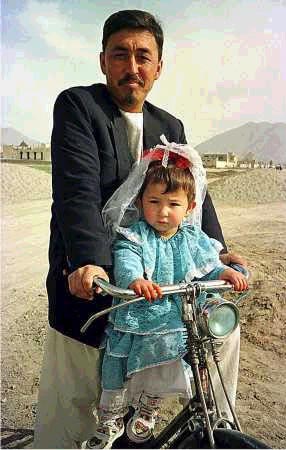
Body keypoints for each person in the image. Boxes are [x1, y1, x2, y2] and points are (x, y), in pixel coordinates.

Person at [33, 10, 246, 449]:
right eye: (121, 54)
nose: (132, 67)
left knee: (210, 337)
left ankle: (217, 428)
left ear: (158, 66)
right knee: (73, 397)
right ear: (103, 61)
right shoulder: (79, 107)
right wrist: (89, 261)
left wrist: (218, 253)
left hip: (155, 285)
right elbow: (76, 191)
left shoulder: (170, 127)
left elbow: (192, 194)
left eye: (143, 56)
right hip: (94, 280)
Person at [81, 142, 248, 449]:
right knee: (118, 364)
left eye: (173, 204)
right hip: (139, 311)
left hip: (172, 315)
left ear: (190, 207)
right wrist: (135, 280)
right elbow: (126, 257)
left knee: (164, 361)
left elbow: (206, 265)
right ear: (140, 201)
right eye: (153, 201)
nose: (162, 212)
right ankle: (110, 416)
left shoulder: (193, 238)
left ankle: (149, 406)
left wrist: (223, 273)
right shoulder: (136, 235)